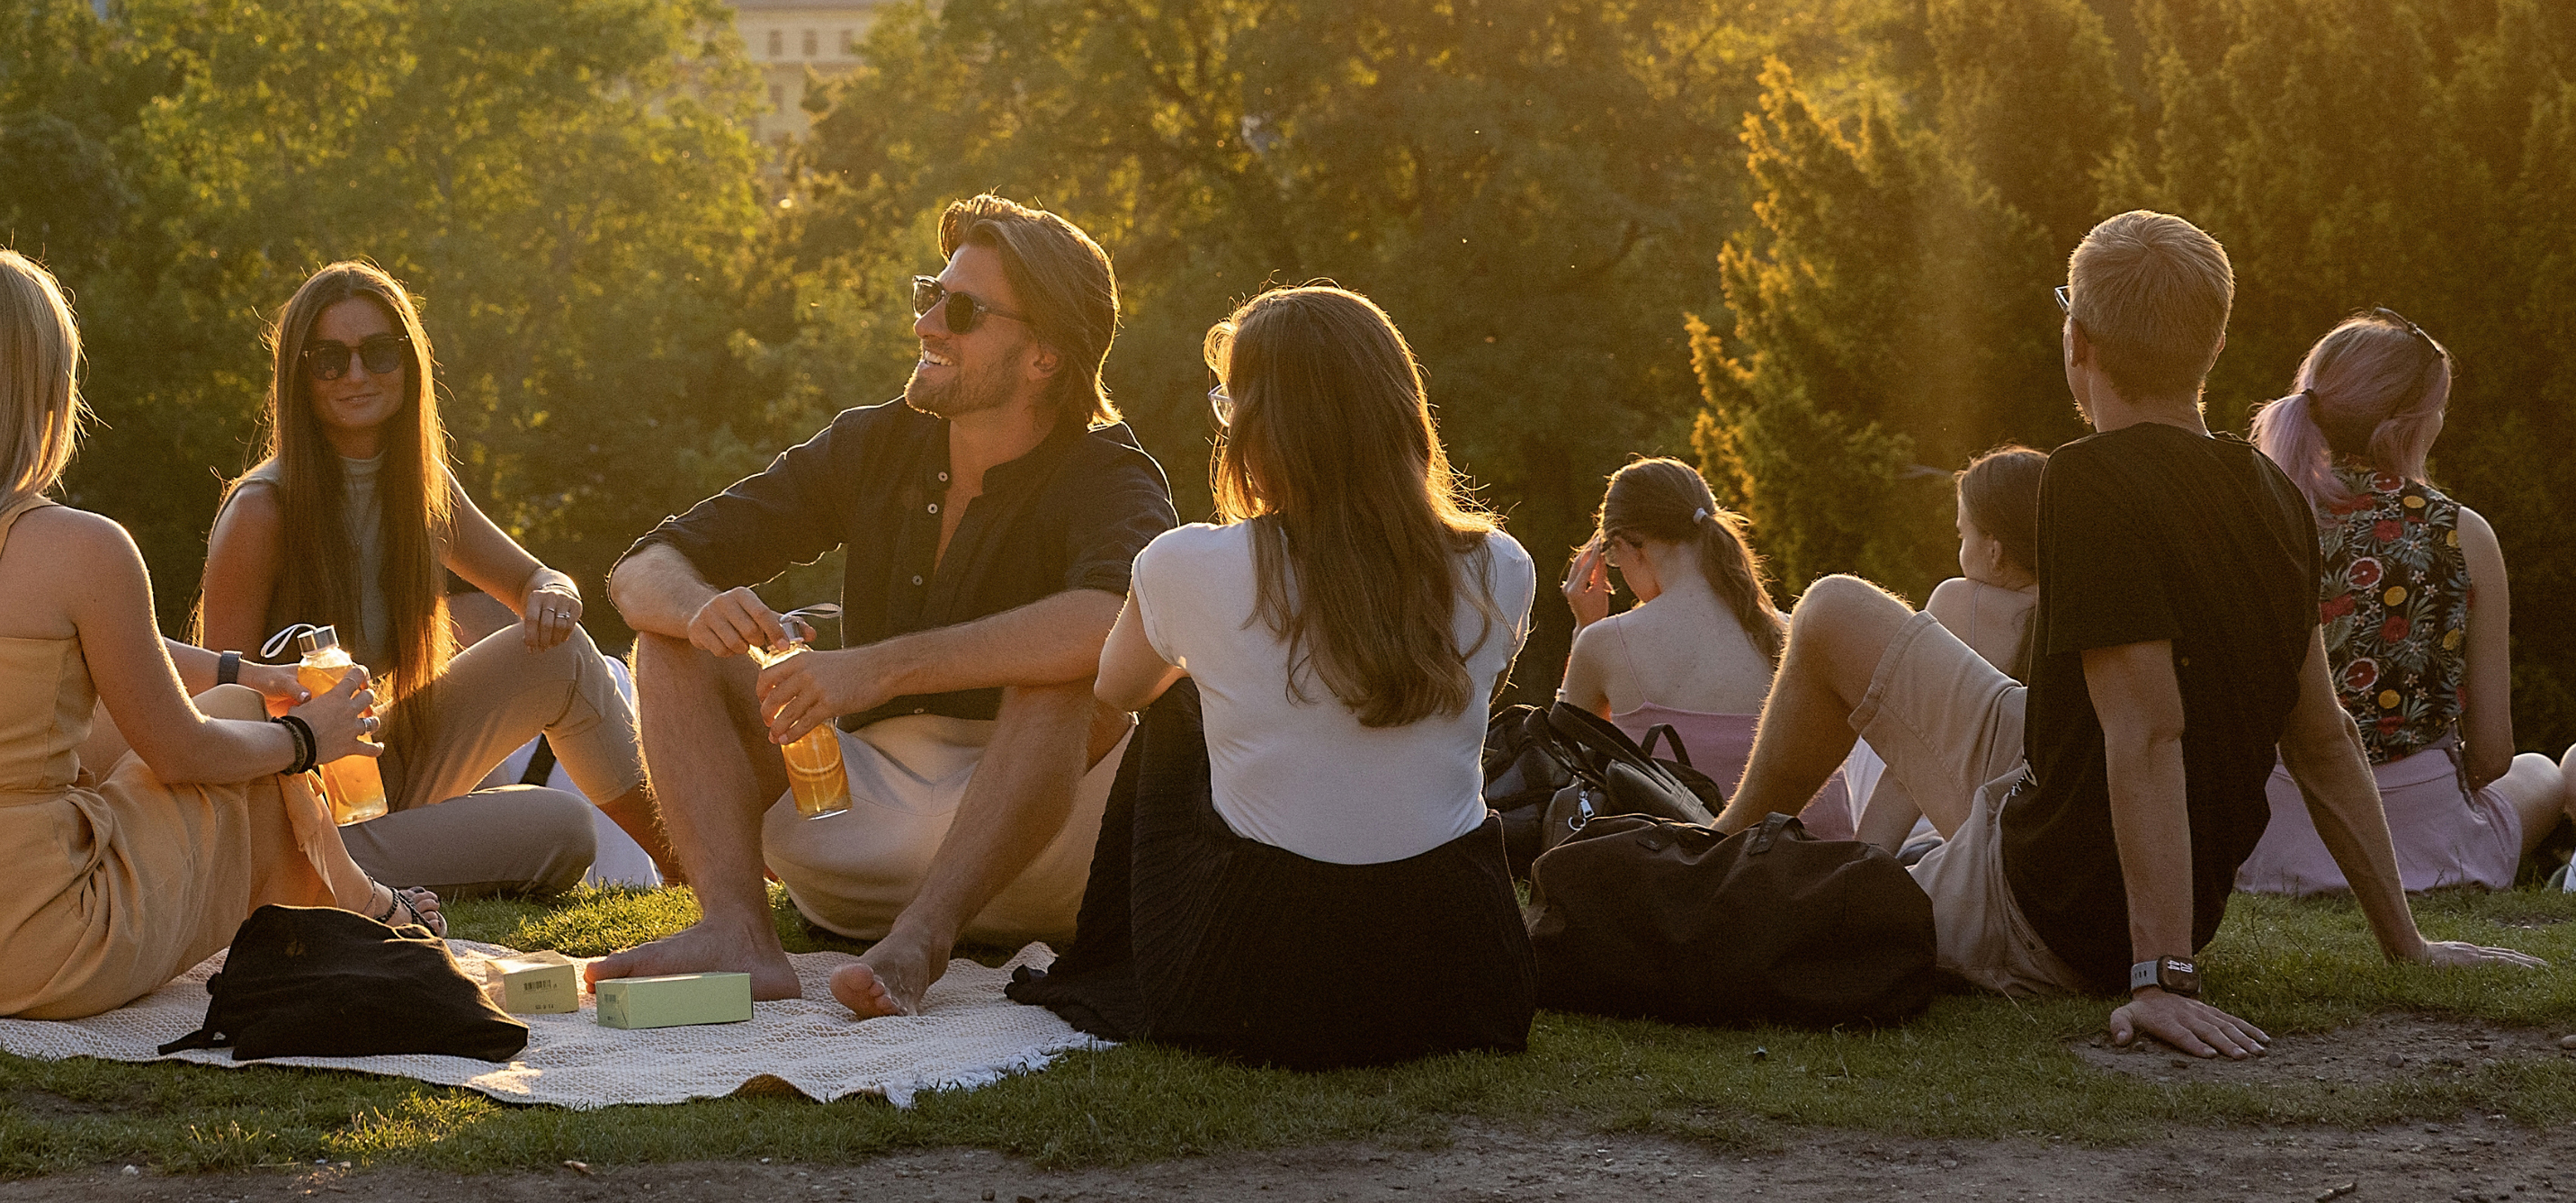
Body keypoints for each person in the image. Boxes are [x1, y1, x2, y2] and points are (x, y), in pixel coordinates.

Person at [1709, 211, 2536, 1058]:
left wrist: (2160, 974)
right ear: (2211, 348)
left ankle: (1722, 862)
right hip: (2054, 792)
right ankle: (1723, 838)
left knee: (1789, 919)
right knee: (1834, 608)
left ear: (2080, 342)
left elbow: (2147, 731)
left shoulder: (2089, 482)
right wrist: (2408, 942)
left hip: (2055, 907)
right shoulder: (2271, 495)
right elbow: (2324, 737)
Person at [596, 194, 1177, 1019]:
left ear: (1045, 355)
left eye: (962, 309)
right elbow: (641, 568)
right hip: (849, 835)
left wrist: (879, 666)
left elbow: (1114, 621)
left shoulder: (1110, 473)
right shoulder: (873, 443)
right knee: (668, 643)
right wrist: (698, 609)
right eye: (928, 296)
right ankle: (735, 931)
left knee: (1067, 672)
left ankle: (922, 940)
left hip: (1040, 847)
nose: (927, 323)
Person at [0, 250, 402, 1020]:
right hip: (19, 947)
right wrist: (308, 738)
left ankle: (358, 903)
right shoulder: (85, 547)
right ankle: (356, 914)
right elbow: (182, 750)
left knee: (228, 696)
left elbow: (101, 645)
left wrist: (238, 668)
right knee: (242, 728)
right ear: (49, 389)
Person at [1015, 285, 1535, 1068]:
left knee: (1178, 698)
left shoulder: (1187, 563)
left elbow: (1118, 693)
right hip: (1459, 977)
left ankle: (1113, 954)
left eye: (1230, 405)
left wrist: (1228, 666)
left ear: (1263, 425)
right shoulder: (1503, 565)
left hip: (1250, 984)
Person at [199, 260, 675, 896]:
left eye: (377, 351)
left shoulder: (418, 489)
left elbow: (538, 578)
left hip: (380, 772)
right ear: (299, 376)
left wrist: (554, 595)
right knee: (562, 827)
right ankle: (321, 883)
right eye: (330, 360)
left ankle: (694, 872)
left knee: (561, 653)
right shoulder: (263, 510)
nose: (358, 374)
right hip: (291, 821)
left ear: (409, 362)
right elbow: (214, 707)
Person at [2233, 311, 2563, 893]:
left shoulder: (2257, 522)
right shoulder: (2464, 533)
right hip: (2428, 844)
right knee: (2545, 772)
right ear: (2409, 423)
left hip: (2274, 838)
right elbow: (2492, 755)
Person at [1556, 457, 1849, 836]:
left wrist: (1583, 628)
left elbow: (1565, 768)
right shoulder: (1793, 631)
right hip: (1830, 868)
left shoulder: (1606, 643)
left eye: (1612, 556)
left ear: (1632, 545)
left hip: (1710, 876)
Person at [1852, 447, 2046, 849]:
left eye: (1962, 535)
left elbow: (1907, 768)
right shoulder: (2087, 616)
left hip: (1975, 845)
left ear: (1995, 551)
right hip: (2044, 841)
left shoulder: (1961, 603)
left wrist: (1860, 864)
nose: (1959, 552)